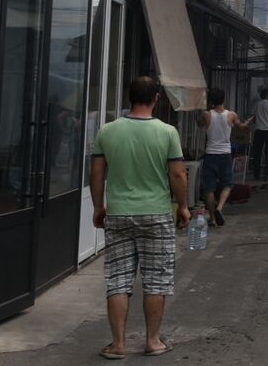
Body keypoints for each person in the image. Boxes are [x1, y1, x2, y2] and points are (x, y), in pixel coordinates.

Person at [90, 76, 189, 359]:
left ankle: (118, 344)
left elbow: (97, 174)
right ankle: (153, 341)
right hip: (157, 214)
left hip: (119, 213)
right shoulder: (167, 132)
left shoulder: (107, 131)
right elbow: (178, 174)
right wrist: (182, 206)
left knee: (118, 280)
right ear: (156, 98)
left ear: (129, 98)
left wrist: (99, 207)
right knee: (156, 280)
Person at [195, 88, 250, 227]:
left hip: (210, 154)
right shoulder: (231, 115)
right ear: (224, 98)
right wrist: (249, 122)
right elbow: (241, 128)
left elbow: (199, 124)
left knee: (209, 188)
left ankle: (212, 218)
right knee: (228, 184)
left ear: (211, 100)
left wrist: (204, 111)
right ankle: (220, 207)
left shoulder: (207, 115)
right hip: (225, 154)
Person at [249, 87, 268, 184]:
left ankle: (256, 174)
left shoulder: (256, 104)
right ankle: (266, 173)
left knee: (257, 153)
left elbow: (253, 118)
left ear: (261, 95)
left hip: (258, 131)